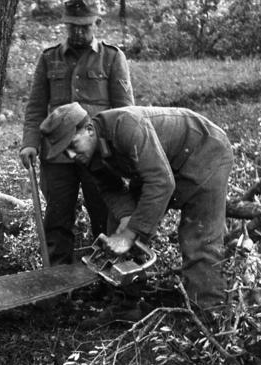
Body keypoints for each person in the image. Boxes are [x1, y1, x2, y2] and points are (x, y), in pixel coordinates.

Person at [41, 102, 233, 312]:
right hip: (163, 165)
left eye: (72, 146)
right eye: (64, 151)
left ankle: (208, 316)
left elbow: (161, 183)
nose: (70, 155)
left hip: (205, 152)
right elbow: (110, 188)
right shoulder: (88, 150)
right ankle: (127, 306)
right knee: (117, 225)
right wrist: (126, 218)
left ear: (88, 130)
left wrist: (131, 232)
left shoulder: (127, 126)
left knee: (199, 237)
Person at [19, 0, 134, 265]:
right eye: (72, 27)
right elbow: (36, 106)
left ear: (97, 23)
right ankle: (59, 284)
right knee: (58, 219)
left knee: (103, 215)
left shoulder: (113, 57)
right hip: (57, 156)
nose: (78, 33)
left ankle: (107, 275)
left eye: (84, 27)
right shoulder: (49, 58)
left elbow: (126, 111)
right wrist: (30, 143)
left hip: (99, 153)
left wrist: (121, 153)